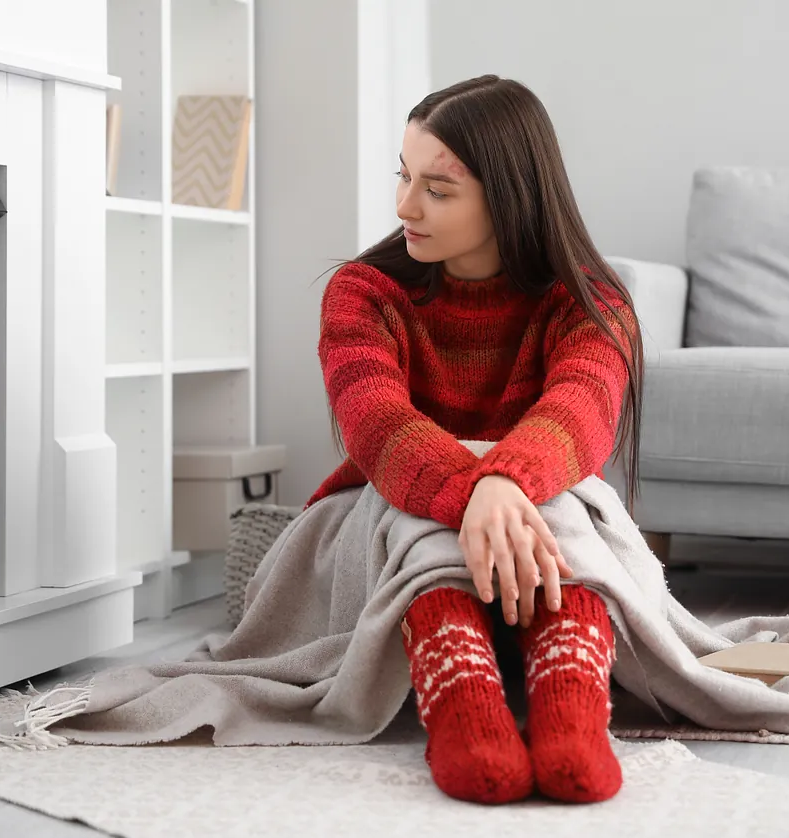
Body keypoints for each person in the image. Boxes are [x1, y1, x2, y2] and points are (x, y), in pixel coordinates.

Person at [305, 74, 644, 805]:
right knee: (423, 511)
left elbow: (581, 412)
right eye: (404, 176)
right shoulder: (362, 292)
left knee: (559, 498)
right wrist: (475, 489)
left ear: (510, 193)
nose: (404, 207)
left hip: (535, 522)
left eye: (439, 188)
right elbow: (376, 425)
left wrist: (504, 481)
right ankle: (460, 698)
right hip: (394, 518)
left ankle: (571, 699)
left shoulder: (592, 300)